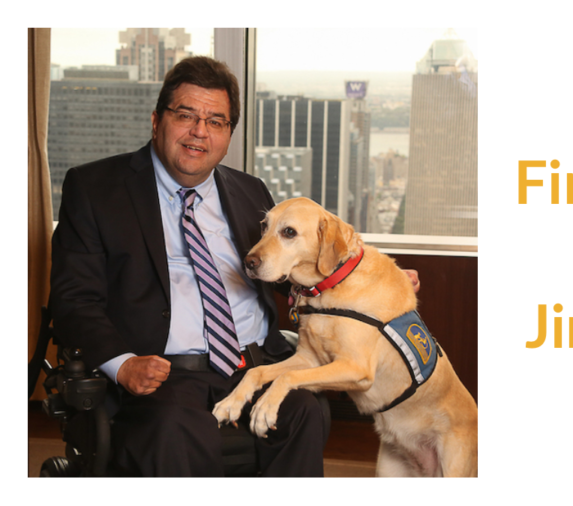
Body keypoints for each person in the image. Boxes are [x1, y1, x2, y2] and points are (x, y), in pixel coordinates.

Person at [49, 56, 416, 477]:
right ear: (156, 120)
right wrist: (123, 363)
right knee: (176, 428)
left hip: (257, 363)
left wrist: (365, 282)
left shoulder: (249, 191)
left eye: (216, 122)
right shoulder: (96, 189)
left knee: (301, 412)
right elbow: (74, 299)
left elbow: (288, 267)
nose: (199, 132)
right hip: (164, 373)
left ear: (228, 135)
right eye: (186, 115)